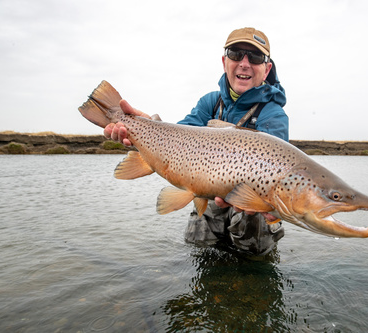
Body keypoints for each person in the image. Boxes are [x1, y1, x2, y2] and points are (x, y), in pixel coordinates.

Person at [104, 27, 288, 256]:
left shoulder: (273, 114)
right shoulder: (210, 102)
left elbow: (278, 174)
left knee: (255, 245)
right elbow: (179, 136)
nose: (244, 62)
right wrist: (144, 125)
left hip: (250, 207)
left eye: (255, 57)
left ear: (266, 68)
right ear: (224, 62)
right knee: (200, 248)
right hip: (208, 199)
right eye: (236, 54)